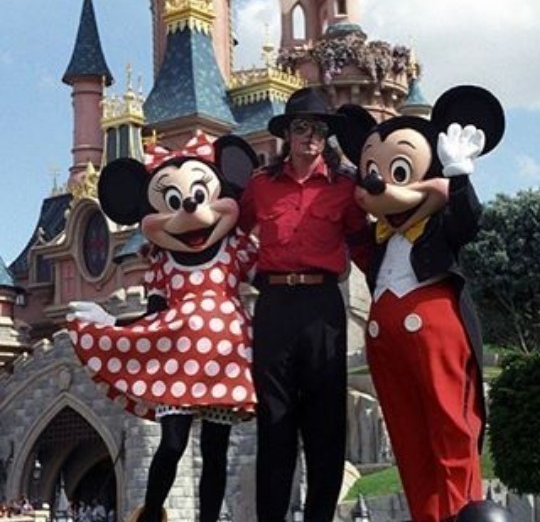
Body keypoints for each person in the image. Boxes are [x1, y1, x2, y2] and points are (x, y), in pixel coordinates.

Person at [67, 134, 259, 522]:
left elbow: (269, 281)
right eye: (172, 200)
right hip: (176, 363)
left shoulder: (236, 247)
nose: (189, 206)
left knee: (216, 449)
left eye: (199, 195)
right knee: (172, 443)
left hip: (225, 361)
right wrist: (112, 323)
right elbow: (152, 316)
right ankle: (152, 513)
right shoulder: (162, 262)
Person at [336, 86, 505, 521]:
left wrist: (459, 177)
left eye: (398, 170)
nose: (380, 184)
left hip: (435, 334)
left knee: (450, 425)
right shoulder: (378, 239)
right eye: (372, 172)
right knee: (407, 435)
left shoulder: (439, 228)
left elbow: (468, 221)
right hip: (385, 345)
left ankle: (460, 512)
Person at [239, 87, 370, 522]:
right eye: (301, 127)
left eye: (318, 129)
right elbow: (232, 230)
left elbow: (361, 241)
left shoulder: (345, 186)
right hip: (274, 305)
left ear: (326, 136)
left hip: (322, 306)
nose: (310, 136)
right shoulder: (261, 185)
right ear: (287, 135)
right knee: (274, 419)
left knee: (326, 422)